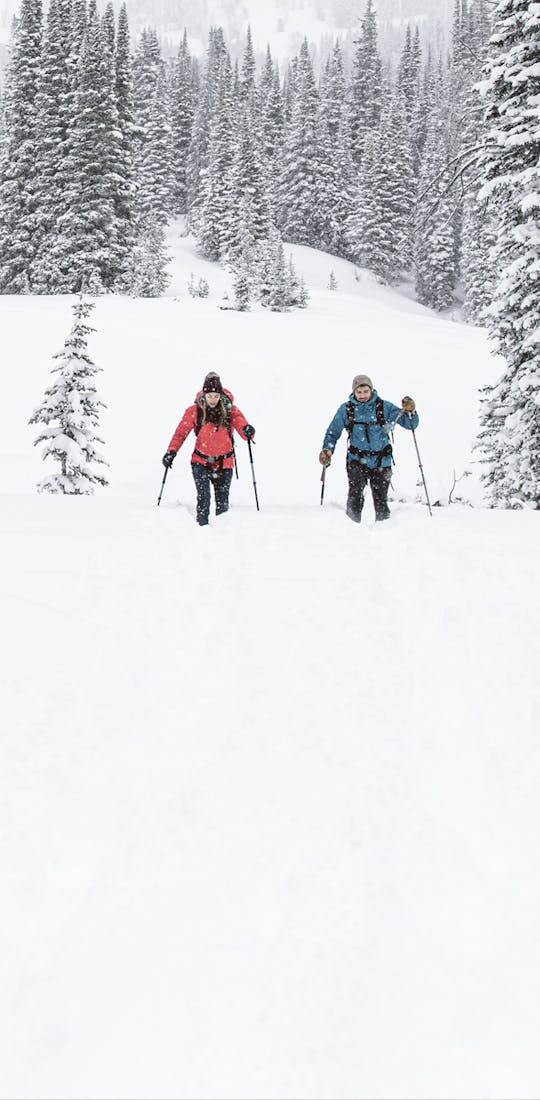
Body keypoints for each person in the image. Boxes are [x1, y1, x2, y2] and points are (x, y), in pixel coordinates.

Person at [319, 373, 419, 523]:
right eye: (359, 392)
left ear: (371, 390)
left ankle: (385, 532)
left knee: (381, 501)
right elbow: (333, 432)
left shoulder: (384, 407)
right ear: (353, 392)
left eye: (366, 391)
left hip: (381, 461)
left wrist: (411, 411)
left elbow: (410, 423)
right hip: (356, 461)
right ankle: (351, 530)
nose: (363, 395)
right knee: (355, 497)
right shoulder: (346, 410)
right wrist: (327, 450)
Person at [162, 372, 255, 526]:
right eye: (209, 395)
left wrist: (247, 431)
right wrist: (171, 452)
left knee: (222, 505)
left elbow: (240, 423)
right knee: (204, 499)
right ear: (204, 394)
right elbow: (180, 434)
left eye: (215, 395)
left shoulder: (230, 410)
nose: (213, 399)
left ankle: (222, 538)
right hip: (200, 462)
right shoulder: (195, 411)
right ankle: (201, 532)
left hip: (224, 463)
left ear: (220, 394)